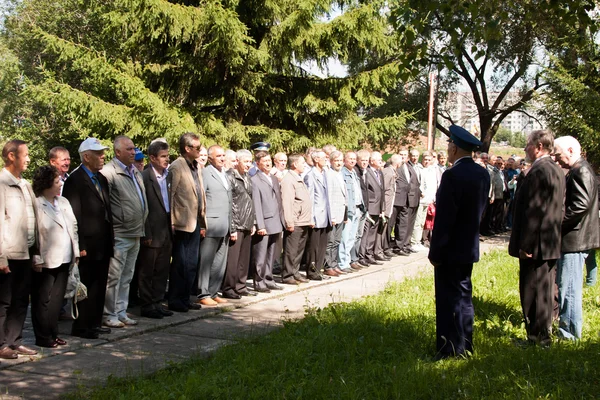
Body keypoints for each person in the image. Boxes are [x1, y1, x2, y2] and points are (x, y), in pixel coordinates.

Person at [429, 125, 490, 359]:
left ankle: (449, 348)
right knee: (464, 297)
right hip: (469, 245)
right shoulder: (482, 173)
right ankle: (466, 343)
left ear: (454, 147)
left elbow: (444, 220)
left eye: (448, 145)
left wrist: (436, 252)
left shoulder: (452, 175)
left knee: (448, 300)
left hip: (450, 249)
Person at [508, 130, 564, 345]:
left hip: (537, 243)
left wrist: (526, 244)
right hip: (549, 241)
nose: (525, 149)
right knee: (545, 289)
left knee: (532, 290)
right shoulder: (556, 170)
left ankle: (536, 337)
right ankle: (542, 335)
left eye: (528, 144)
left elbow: (533, 211)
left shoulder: (539, 170)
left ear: (539, 146)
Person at [62, 137, 113, 339]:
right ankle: (82, 326)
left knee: (100, 284)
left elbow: (107, 210)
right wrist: (80, 245)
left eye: (103, 153)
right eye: (98, 154)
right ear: (86, 157)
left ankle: (94, 322)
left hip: (103, 242)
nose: (102, 157)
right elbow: (74, 215)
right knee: (86, 284)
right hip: (87, 244)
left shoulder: (101, 179)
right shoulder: (75, 181)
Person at [553, 135, 600, 340]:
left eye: (558, 155)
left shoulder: (581, 170)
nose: (556, 160)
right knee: (567, 286)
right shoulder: (580, 170)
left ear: (571, 151)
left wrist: (558, 225)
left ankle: (569, 334)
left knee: (569, 289)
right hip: (576, 238)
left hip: (575, 240)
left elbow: (580, 205)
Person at [101, 136, 148, 328]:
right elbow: (105, 205)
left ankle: (121, 311)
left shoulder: (135, 172)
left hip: (136, 232)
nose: (133, 152)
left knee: (127, 276)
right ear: (117, 152)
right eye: (128, 149)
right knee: (114, 276)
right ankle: (108, 313)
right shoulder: (109, 172)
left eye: (133, 148)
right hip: (120, 232)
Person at [31, 166, 79, 348]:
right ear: (46, 183)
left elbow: (73, 227)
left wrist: (76, 252)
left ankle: (53, 332)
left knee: (57, 299)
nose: (60, 184)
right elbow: (34, 233)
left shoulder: (64, 202)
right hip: (45, 259)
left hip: (65, 256)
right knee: (42, 299)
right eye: (57, 181)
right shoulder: (36, 204)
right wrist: (35, 256)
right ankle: (43, 336)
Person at [0, 140, 39, 359]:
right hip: (8, 253)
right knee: (4, 301)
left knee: (21, 299)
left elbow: (34, 217)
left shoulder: (25, 184)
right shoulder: (2, 183)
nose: (29, 159)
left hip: (26, 251)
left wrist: (37, 252)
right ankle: (1, 344)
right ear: (12, 156)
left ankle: (15, 341)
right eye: (26, 154)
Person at [167, 133, 206, 312]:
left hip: (195, 220)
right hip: (181, 221)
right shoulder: (177, 166)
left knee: (192, 263)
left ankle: (185, 298)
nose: (200, 150)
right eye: (197, 148)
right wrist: (172, 221)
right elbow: (171, 194)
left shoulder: (196, 166)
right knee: (180, 264)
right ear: (187, 148)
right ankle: (175, 300)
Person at [136, 140, 174, 319]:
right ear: (152, 158)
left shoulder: (169, 176)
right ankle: (147, 304)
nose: (167, 160)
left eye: (168, 156)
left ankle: (158, 302)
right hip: (152, 230)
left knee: (162, 269)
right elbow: (142, 208)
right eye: (163, 157)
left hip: (167, 229)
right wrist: (146, 233)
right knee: (147, 270)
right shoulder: (144, 177)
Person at [198, 145, 232, 306]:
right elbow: (201, 199)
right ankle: (202, 293)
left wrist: (231, 226)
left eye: (223, 155)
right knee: (206, 261)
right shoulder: (206, 173)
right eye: (219, 156)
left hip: (224, 224)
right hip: (211, 224)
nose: (222, 158)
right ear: (210, 158)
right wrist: (201, 224)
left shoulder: (224, 173)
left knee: (219, 262)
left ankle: (213, 291)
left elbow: (229, 201)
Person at [222, 150, 257, 299]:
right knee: (233, 259)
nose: (248, 164)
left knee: (244, 258)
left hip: (248, 222)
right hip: (236, 223)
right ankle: (229, 287)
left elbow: (251, 201)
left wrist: (253, 222)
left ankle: (240, 285)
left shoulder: (248, 177)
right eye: (246, 161)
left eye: (250, 161)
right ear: (238, 161)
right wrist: (233, 227)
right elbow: (230, 203)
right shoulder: (230, 176)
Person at [251, 151, 286, 292]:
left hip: (276, 221)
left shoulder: (274, 178)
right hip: (264, 222)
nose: (267, 163)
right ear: (258, 163)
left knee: (272, 253)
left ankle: (268, 278)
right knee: (260, 255)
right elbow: (256, 204)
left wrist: (282, 220)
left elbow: (278, 200)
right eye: (264, 161)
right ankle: (259, 282)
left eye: (268, 160)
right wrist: (260, 225)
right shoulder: (255, 179)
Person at [280, 154, 312, 284]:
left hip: (303, 220)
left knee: (299, 250)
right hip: (295, 220)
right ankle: (287, 275)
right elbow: (287, 202)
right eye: (302, 162)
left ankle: (295, 271)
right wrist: (289, 222)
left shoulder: (298, 178)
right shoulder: (288, 180)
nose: (305, 165)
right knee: (291, 250)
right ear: (294, 164)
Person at [304, 150, 333, 279]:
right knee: (313, 246)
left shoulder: (325, 174)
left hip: (325, 215)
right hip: (316, 216)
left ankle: (318, 270)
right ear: (316, 160)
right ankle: (311, 271)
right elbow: (309, 198)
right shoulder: (310, 175)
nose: (326, 160)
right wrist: (310, 218)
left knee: (322, 245)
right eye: (323, 158)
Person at [358, 151, 385, 265]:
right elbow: (366, 191)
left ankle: (369, 254)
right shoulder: (367, 172)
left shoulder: (379, 173)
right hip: (370, 207)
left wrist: (382, 209)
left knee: (373, 233)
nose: (381, 161)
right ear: (372, 161)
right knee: (366, 233)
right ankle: (362, 255)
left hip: (378, 207)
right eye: (378, 159)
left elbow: (382, 191)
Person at [324, 151, 349, 273]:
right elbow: (329, 197)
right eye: (336, 161)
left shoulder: (340, 174)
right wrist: (332, 216)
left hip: (341, 213)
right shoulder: (329, 174)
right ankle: (328, 266)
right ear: (331, 162)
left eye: (340, 161)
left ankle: (334, 264)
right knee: (330, 241)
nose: (339, 163)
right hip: (333, 214)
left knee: (337, 241)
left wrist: (345, 214)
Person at [393, 148, 419, 256]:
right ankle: (399, 246)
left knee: (407, 224)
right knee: (400, 224)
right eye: (401, 154)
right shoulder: (395, 166)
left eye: (404, 154)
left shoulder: (409, 166)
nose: (403, 156)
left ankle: (405, 244)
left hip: (411, 199)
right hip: (399, 199)